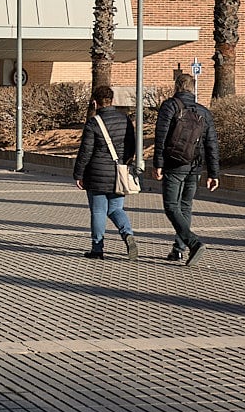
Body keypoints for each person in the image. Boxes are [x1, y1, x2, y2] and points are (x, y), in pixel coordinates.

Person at [152, 72, 220, 266]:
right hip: (195, 166)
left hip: (175, 164)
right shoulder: (203, 111)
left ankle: (193, 243)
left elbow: (161, 137)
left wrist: (158, 163)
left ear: (176, 87)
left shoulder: (170, 106)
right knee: (185, 206)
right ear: (193, 88)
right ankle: (179, 249)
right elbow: (212, 144)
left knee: (171, 206)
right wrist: (213, 173)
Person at [72, 85, 139, 260]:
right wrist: (126, 163)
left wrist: (78, 174)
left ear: (95, 102)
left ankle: (97, 248)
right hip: (119, 172)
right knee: (116, 208)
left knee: (99, 211)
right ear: (112, 100)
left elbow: (85, 151)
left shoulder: (94, 123)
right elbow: (132, 146)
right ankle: (128, 234)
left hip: (95, 173)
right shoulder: (125, 120)